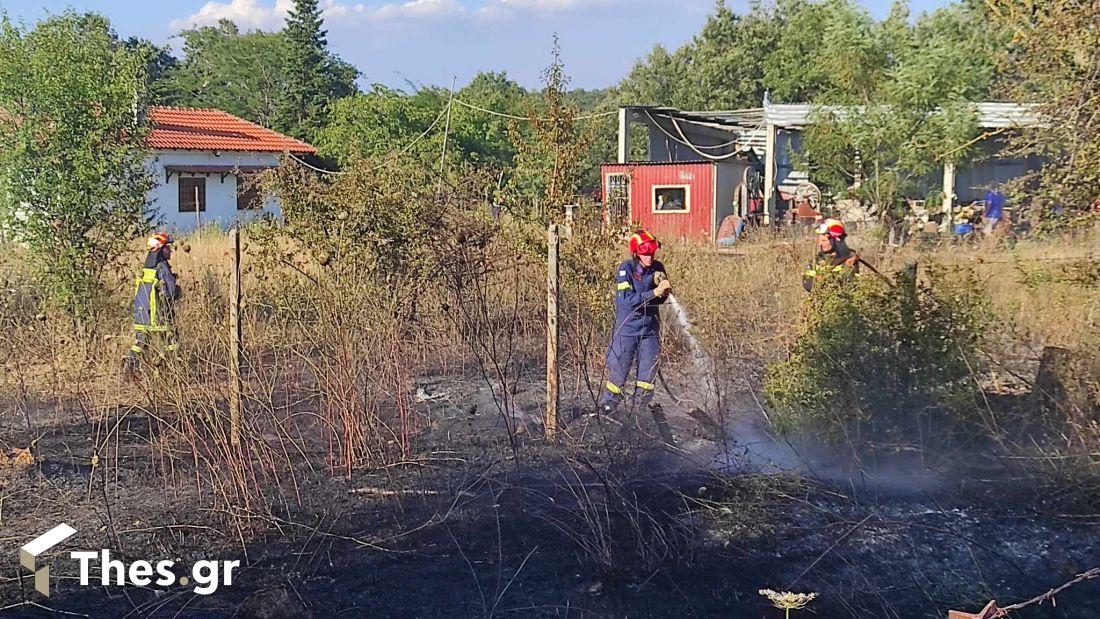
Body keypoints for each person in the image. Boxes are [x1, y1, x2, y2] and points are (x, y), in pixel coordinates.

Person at [601, 230, 671, 418]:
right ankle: (608, 409)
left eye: (652, 253)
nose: (649, 257)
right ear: (636, 253)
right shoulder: (626, 269)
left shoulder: (657, 268)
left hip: (649, 331)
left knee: (648, 377)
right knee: (619, 374)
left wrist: (663, 294)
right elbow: (625, 300)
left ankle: (639, 413)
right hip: (628, 330)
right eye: (645, 254)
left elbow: (658, 300)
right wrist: (653, 293)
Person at [123, 232, 181, 378]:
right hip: (160, 314)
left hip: (143, 313)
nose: (170, 250)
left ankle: (129, 370)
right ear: (161, 249)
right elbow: (171, 292)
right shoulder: (162, 267)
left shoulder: (147, 267)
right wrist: (178, 289)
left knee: (140, 342)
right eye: (167, 248)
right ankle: (172, 372)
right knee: (171, 341)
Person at [802, 218, 861, 292]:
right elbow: (807, 283)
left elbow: (850, 285)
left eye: (824, 240)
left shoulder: (850, 259)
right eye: (820, 240)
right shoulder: (817, 259)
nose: (820, 243)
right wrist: (820, 281)